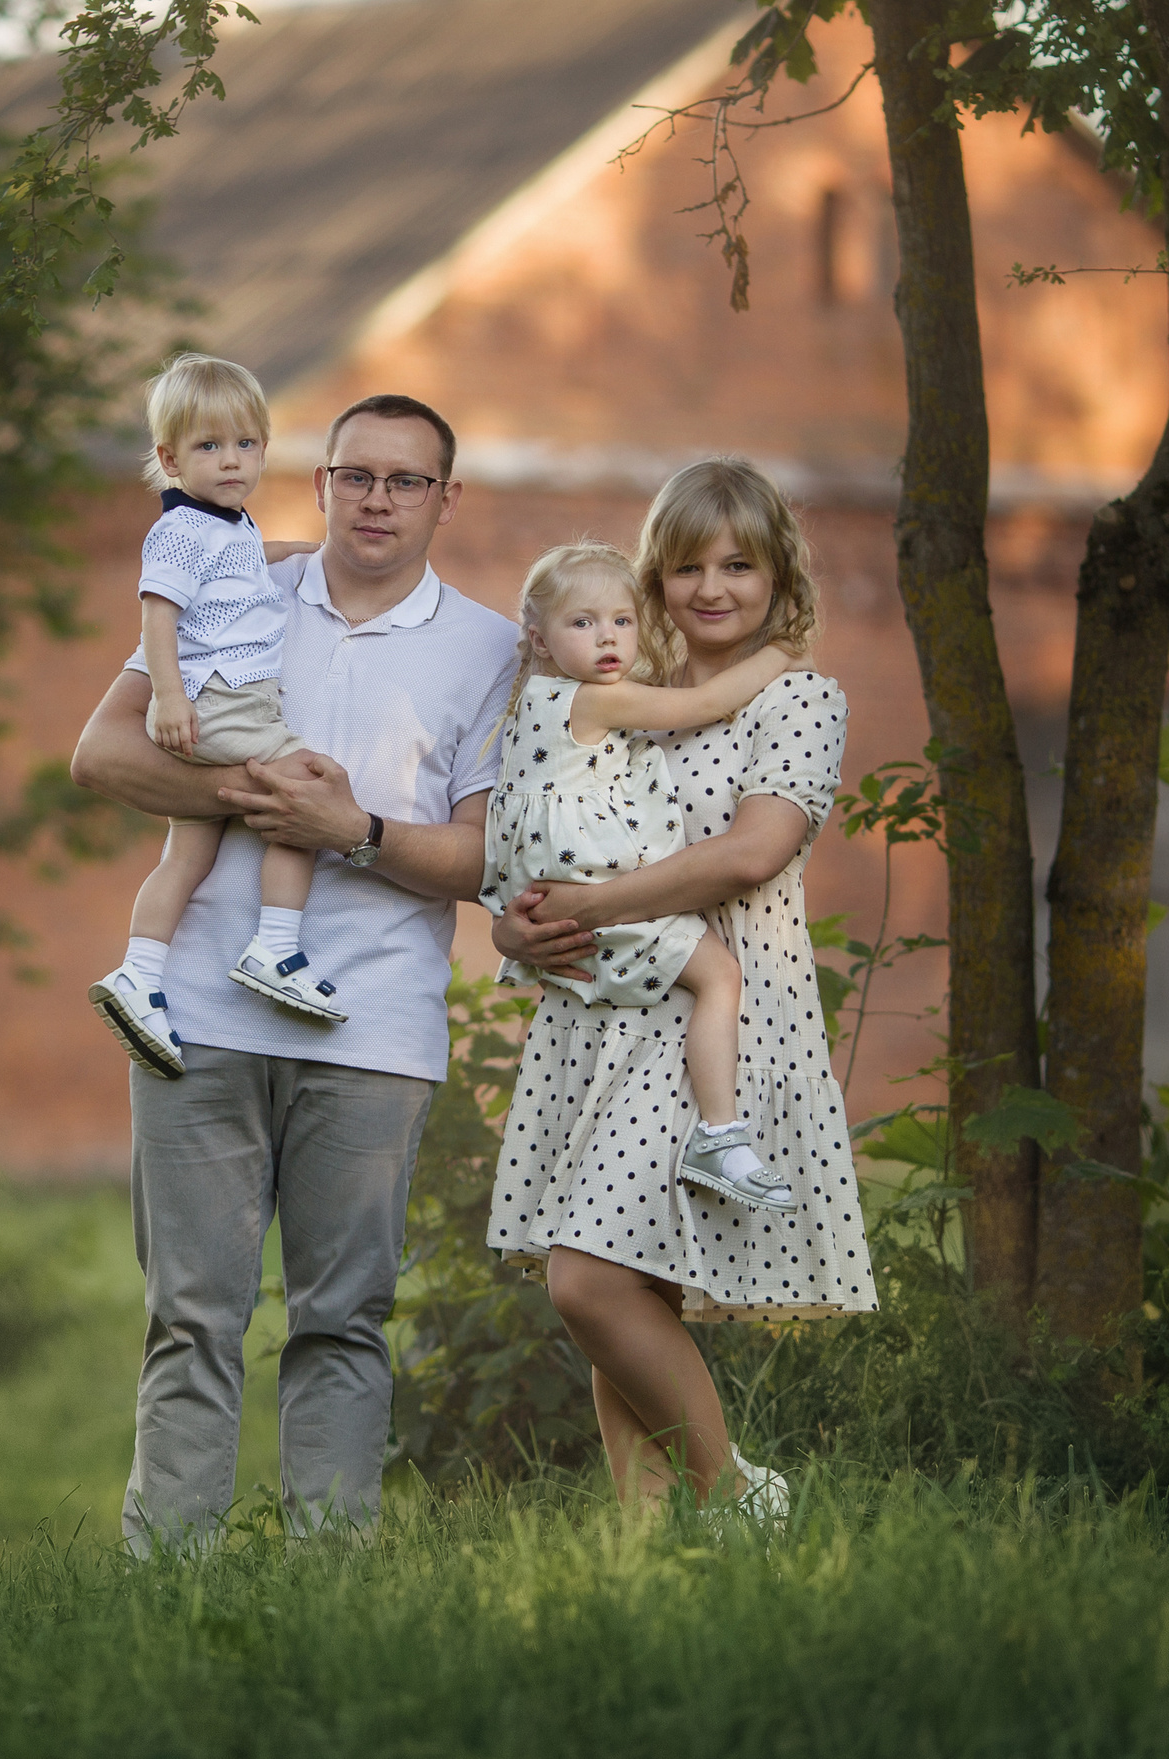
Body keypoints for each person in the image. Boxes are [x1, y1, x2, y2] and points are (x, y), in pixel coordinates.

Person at [70, 392, 518, 1554]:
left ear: (445, 500)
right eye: (354, 474)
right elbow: (101, 752)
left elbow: (482, 860)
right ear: (315, 483)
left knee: (344, 1322)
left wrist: (352, 828)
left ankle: (329, 1589)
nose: (377, 499)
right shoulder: (235, 581)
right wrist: (253, 799)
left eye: (405, 481)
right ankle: (169, 1588)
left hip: (372, 1033)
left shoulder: (490, 649)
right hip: (201, 1017)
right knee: (191, 1317)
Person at [487, 458, 878, 1519]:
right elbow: (542, 831)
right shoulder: (614, 700)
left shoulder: (797, 697)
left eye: (739, 566)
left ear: (776, 575)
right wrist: (517, 921)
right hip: (603, 1010)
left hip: (721, 1014)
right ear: (655, 578)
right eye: (688, 566)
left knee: (591, 1280)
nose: (712, 588)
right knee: (626, 1288)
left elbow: (751, 854)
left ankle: (739, 1493)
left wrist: (593, 904)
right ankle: (649, 1553)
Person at [479, 540, 805, 1213]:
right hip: (603, 896)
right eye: (583, 622)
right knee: (720, 975)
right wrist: (785, 649)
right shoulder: (595, 702)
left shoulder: (533, 705)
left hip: (562, 895)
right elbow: (703, 705)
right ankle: (719, 1132)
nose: (608, 638)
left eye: (622, 621)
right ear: (538, 639)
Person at [90, 354, 346, 1080]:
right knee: (308, 794)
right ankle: (275, 944)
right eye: (209, 447)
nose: (231, 461)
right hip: (222, 699)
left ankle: (141, 972)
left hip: (217, 702)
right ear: (170, 457)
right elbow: (158, 616)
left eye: (245, 444)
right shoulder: (176, 531)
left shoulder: (224, 526)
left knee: (188, 854)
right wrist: (169, 697)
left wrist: (294, 551)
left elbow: (237, 563)